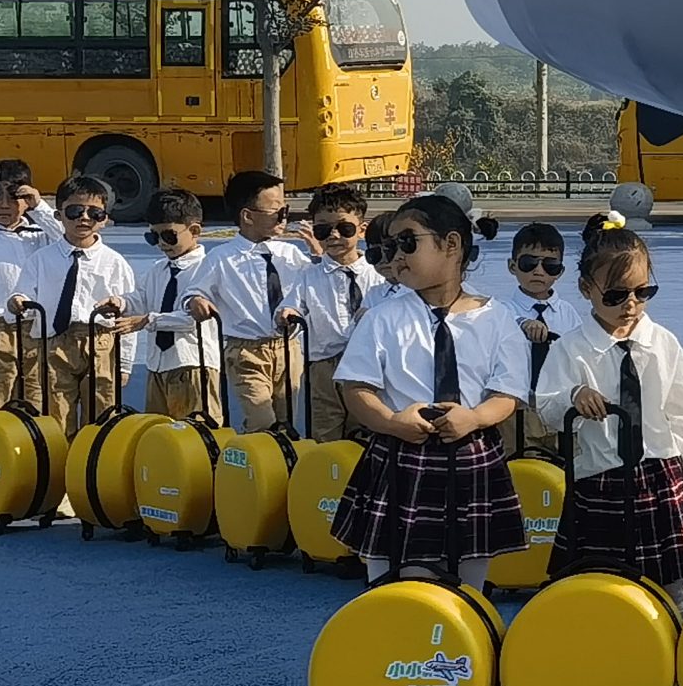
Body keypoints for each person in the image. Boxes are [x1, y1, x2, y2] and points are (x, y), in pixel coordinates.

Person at [329, 193, 531, 587]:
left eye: (408, 242)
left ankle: (462, 622)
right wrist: (391, 421)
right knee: (394, 572)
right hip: (401, 451)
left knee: (469, 570)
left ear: (451, 244)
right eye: (390, 246)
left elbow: (507, 394)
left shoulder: (498, 318)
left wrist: (474, 417)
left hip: (470, 451)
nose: (396, 256)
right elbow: (356, 387)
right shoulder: (382, 318)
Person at [534, 227, 683, 615]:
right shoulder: (571, 348)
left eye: (642, 292)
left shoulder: (663, 342)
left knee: (673, 580)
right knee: (598, 577)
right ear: (586, 289)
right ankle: (607, 638)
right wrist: (574, 396)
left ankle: (682, 633)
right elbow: (545, 407)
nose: (630, 304)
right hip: (600, 477)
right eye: (615, 295)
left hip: (660, 472)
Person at [5, 174, 137, 435]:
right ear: (59, 215)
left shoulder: (115, 262)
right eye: (75, 211)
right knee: (56, 410)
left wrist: (124, 364)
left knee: (101, 411)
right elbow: (22, 291)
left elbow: (127, 315)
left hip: (100, 339)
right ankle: (61, 457)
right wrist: (17, 301)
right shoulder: (41, 259)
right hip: (55, 339)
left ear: (105, 219)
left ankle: (94, 457)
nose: (84, 218)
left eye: (95, 213)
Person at [183, 169, 311, 431]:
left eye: (285, 210)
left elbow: (314, 286)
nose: (283, 218)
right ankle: (253, 450)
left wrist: (319, 258)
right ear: (248, 216)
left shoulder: (290, 253)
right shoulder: (222, 257)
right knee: (262, 419)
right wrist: (195, 300)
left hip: (288, 347)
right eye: (276, 211)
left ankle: (275, 453)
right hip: (246, 351)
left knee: (286, 420)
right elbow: (193, 291)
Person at [286, 185, 384, 443]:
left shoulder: (377, 274)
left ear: (362, 230)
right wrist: (287, 313)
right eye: (323, 230)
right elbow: (293, 305)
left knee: (365, 428)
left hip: (367, 364)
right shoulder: (308, 275)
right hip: (324, 365)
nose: (334, 235)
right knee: (324, 428)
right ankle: (326, 467)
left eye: (345, 228)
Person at [124, 187, 224, 421]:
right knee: (157, 431)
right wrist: (119, 303)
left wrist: (149, 320)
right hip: (157, 366)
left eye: (169, 236)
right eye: (153, 237)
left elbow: (192, 318)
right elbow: (141, 299)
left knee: (197, 430)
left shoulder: (208, 268)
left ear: (194, 230)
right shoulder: (157, 270)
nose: (161, 243)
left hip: (193, 363)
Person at [504, 222, 585, 450]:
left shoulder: (568, 313)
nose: (539, 271)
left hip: (560, 406)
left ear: (560, 271)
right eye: (529, 263)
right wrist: (523, 324)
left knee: (568, 463)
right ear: (512, 266)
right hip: (518, 407)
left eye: (550, 265)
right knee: (519, 463)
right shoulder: (501, 311)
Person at [0, 158, 53, 408]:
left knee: (36, 393)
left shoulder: (41, 235)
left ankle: (35, 431)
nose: (4, 205)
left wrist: (39, 207)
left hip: (35, 324)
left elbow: (70, 239)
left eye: (14, 196)